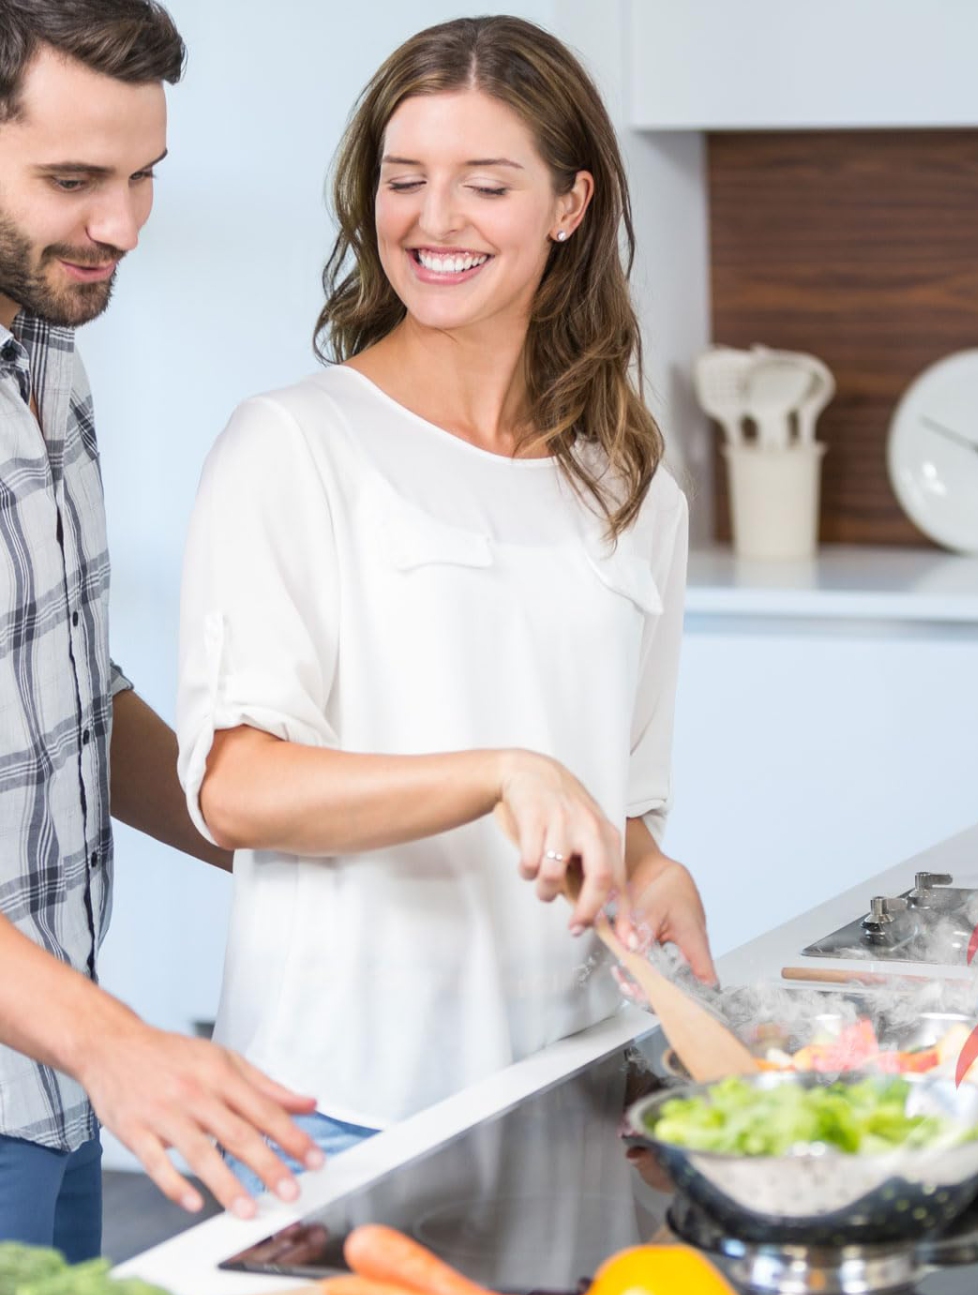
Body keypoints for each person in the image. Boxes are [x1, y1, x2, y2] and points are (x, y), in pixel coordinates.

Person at [177, 15, 714, 1180]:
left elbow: (611, 802)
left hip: (568, 1074)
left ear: (571, 205)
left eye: (487, 184)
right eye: (404, 179)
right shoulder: (294, 447)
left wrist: (651, 866)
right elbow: (237, 787)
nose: (435, 220)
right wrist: (495, 771)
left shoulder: (629, 486)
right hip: (340, 1098)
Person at [0, 0, 323, 1257]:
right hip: (72, 1052)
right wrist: (119, 1042)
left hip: (52, 1081)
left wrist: (300, 849)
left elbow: (64, 697)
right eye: (76, 181)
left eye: (144, 177)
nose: (123, 227)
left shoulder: (45, 344)